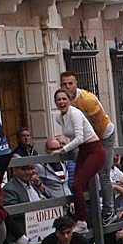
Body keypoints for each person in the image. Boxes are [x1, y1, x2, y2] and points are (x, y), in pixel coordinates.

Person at [59, 72, 118, 223]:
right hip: (86, 141)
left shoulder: (88, 100)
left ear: (76, 84)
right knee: (84, 175)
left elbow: (98, 125)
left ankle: (109, 210)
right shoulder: (65, 103)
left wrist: (91, 147)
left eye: (70, 83)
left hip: (103, 135)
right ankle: (88, 209)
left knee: (104, 173)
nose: (67, 87)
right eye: (64, 84)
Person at [52, 88, 106, 229]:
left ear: (69, 101)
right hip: (82, 151)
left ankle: (82, 221)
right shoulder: (59, 118)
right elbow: (72, 137)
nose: (61, 102)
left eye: (64, 99)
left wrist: (63, 149)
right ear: (55, 103)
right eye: (58, 100)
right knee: (75, 186)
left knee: (77, 184)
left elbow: (80, 137)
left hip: (94, 150)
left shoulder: (75, 113)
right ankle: (85, 219)